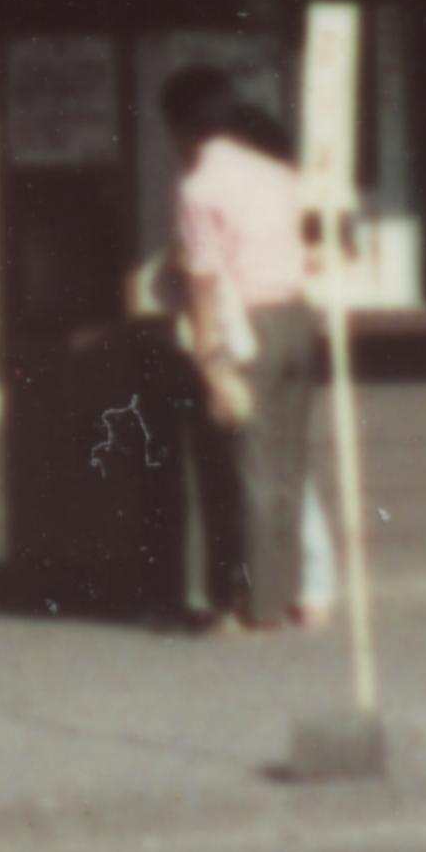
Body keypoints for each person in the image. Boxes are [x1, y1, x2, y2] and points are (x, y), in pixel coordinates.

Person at [162, 72, 326, 639]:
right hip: (296, 318)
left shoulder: (199, 186)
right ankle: (281, 594)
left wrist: (210, 363)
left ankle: (253, 606)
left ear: (181, 127)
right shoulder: (279, 174)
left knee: (247, 467)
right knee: (286, 461)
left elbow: (205, 281)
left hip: (245, 324)